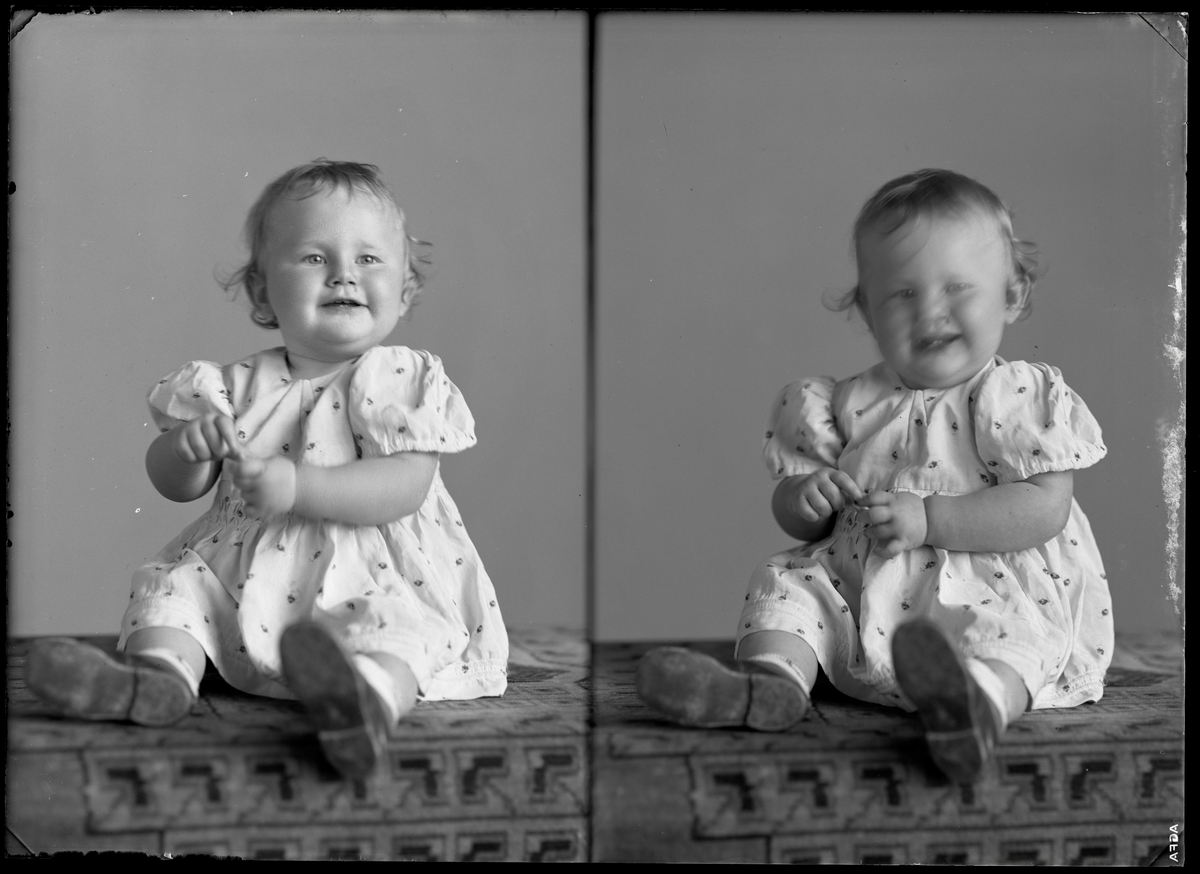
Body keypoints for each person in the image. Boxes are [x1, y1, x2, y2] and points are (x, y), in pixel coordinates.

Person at [25, 160, 508, 779]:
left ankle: (364, 703)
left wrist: (300, 486)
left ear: (406, 290)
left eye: (368, 258)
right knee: (178, 589)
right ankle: (157, 678)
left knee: (395, 623)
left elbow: (405, 488)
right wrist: (187, 449)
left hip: (371, 568)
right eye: (314, 257)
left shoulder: (403, 379)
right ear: (261, 291)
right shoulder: (231, 386)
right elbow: (177, 487)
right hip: (243, 574)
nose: (343, 274)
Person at [637, 169, 1112, 783]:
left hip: (985, 575)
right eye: (903, 293)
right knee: (790, 583)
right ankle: (769, 682)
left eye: (958, 287)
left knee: (1010, 632)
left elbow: (1045, 507)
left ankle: (976, 706)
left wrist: (932, 518)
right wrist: (804, 498)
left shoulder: (1015, 395)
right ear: (867, 309)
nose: (931, 310)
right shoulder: (844, 402)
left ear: (1012, 296)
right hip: (862, 583)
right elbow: (797, 514)